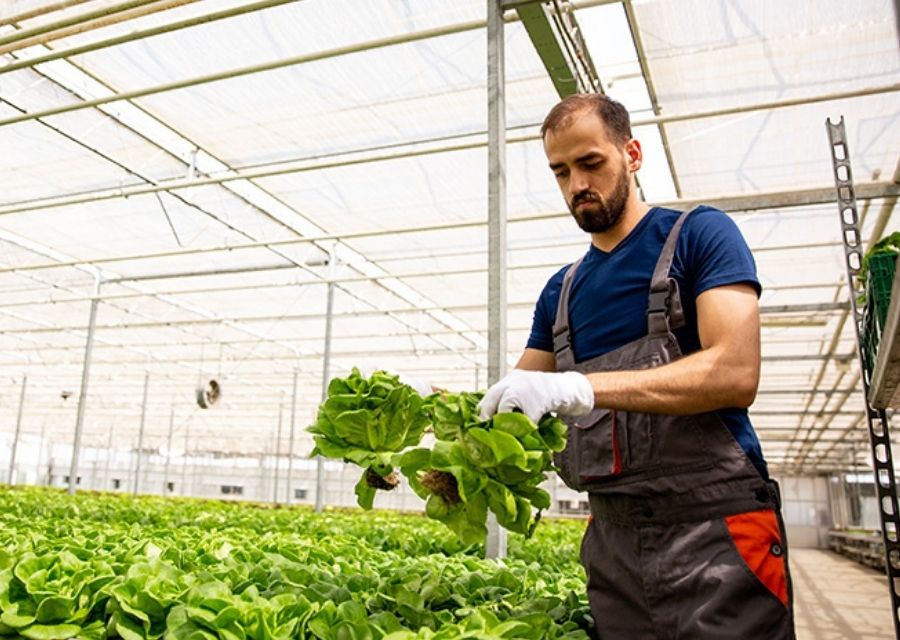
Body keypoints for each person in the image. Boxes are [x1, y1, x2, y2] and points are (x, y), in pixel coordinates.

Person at [477, 93, 796, 639]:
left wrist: (581, 386)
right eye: (560, 172)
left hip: (717, 535)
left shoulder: (699, 235)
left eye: (590, 163)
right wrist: (433, 441)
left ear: (633, 154)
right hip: (614, 547)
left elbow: (735, 371)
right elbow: (514, 412)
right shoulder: (562, 290)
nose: (576, 183)